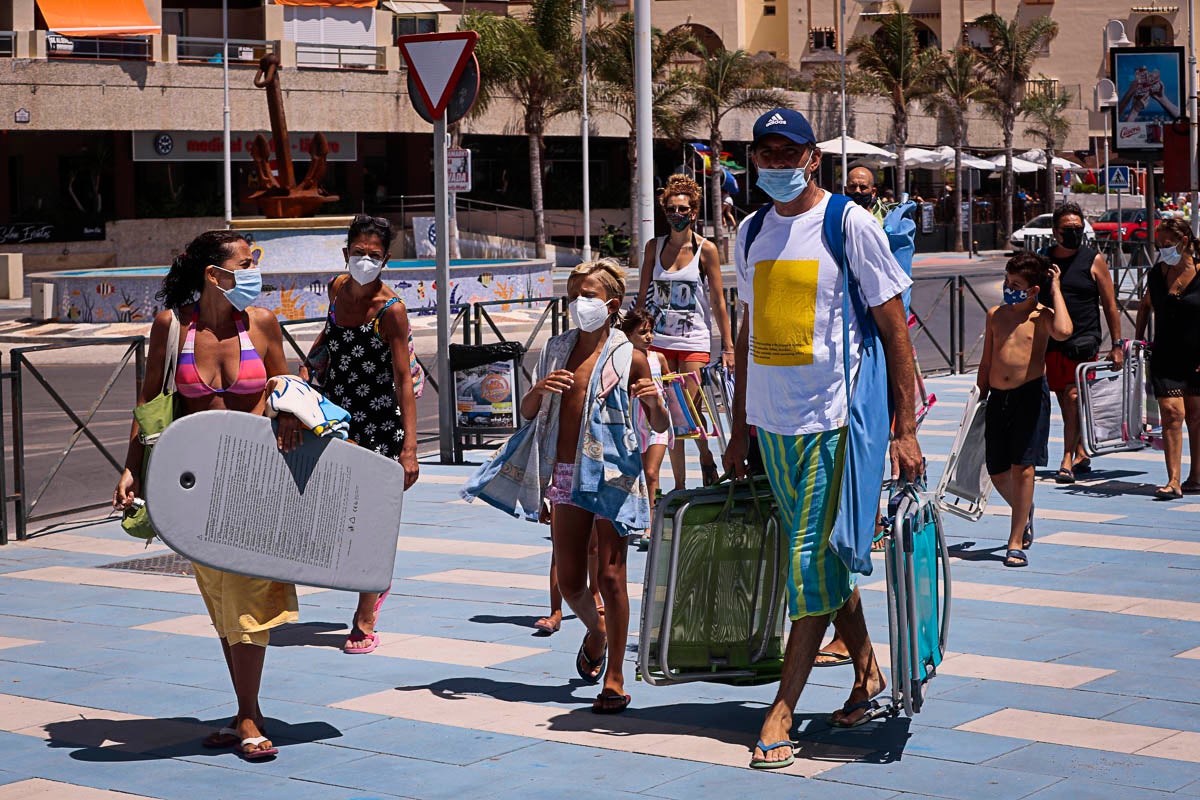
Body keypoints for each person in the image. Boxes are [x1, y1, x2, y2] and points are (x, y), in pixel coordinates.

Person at [723, 108, 922, 768]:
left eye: (789, 152)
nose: (776, 164)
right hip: (774, 429)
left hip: (835, 424)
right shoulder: (749, 231)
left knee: (807, 563)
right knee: (827, 556)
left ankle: (781, 711)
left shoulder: (849, 224)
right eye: (765, 152)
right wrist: (738, 429)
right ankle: (867, 674)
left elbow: (896, 331)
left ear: (813, 157)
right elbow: (747, 336)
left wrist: (906, 429)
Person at [114, 230, 303, 760]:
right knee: (222, 600)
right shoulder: (172, 326)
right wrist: (132, 468)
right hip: (195, 489)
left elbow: (288, 388)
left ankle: (247, 714)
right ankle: (247, 707)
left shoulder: (261, 324)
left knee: (247, 595)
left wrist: (284, 412)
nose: (255, 270)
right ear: (214, 274)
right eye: (247, 262)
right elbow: (149, 400)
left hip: (256, 484)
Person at [464, 259, 668, 712]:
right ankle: (595, 631)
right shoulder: (557, 349)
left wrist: (654, 403)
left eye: (589, 295)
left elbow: (659, 422)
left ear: (611, 304)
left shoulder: (629, 355)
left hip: (612, 475)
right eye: (574, 294)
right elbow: (529, 411)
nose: (580, 303)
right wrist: (539, 390)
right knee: (572, 581)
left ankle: (614, 676)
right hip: (564, 472)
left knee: (612, 577)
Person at [298, 215, 419, 653]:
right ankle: (371, 578)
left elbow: (403, 379)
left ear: (386, 259)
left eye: (374, 254)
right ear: (345, 251)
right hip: (334, 416)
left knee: (372, 518)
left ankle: (365, 613)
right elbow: (329, 335)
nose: (365, 260)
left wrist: (409, 448)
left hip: (380, 423)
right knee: (331, 509)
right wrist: (310, 366)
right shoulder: (336, 288)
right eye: (358, 251)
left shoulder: (391, 310)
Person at [637, 174, 734, 489]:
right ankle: (679, 487)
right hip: (660, 341)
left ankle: (705, 456)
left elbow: (719, 302)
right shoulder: (655, 247)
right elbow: (641, 297)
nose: (676, 215)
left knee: (685, 411)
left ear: (694, 213)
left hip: (693, 339)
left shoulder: (706, 250)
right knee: (666, 415)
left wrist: (729, 347)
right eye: (671, 210)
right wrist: (632, 340)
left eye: (682, 210)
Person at [977, 252, 1073, 568]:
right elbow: (987, 360)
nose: (1008, 288)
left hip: (1029, 397)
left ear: (1033, 289)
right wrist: (979, 396)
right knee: (997, 470)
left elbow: (1064, 331)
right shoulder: (996, 314)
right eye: (1007, 281)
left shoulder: (1043, 316)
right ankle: (1024, 509)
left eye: (1016, 284)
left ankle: (1015, 540)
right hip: (998, 400)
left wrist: (1055, 287)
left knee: (1024, 468)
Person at [1040, 203, 1124, 483]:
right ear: (1055, 232)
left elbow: (1110, 305)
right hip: (1053, 341)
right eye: (1068, 230)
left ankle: (1066, 459)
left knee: (1074, 397)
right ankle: (1080, 451)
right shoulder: (1045, 259)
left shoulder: (1093, 259)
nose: (1074, 234)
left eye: (1078, 229)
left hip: (1084, 340)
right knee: (1065, 401)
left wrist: (1116, 343)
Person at [1134, 218, 1200, 499]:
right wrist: (1136, 341)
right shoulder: (1156, 274)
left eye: (1167, 244)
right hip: (1165, 355)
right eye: (1158, 244)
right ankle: (1173, 481)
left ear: (1184, 242)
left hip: (1197, 357)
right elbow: (1146, 305)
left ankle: (1196, 477)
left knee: (1196, 417)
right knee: (1173, 414)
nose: (1162, 249)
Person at [621, 306, 673, 551]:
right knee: (635, 475)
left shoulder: (658, 358)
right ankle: (631, 519)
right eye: (642, 332)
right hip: (634, 423)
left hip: (658, 421)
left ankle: (652, 525)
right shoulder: (625, 359)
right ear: (629, 334)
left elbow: (670, 386)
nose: (649, 337)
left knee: (652, 473)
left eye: (650, 331)